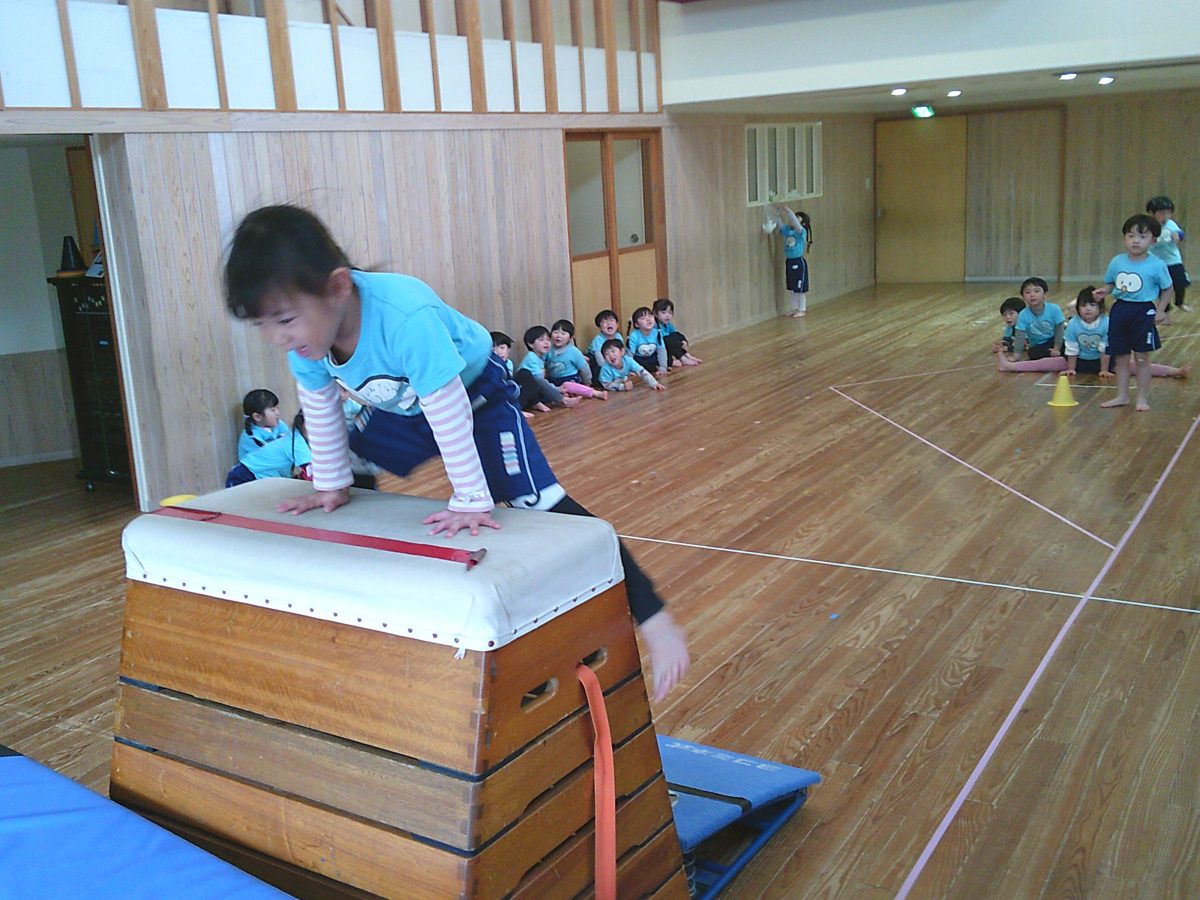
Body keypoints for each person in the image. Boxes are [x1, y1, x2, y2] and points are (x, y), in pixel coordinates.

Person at [224, 205, 687, 700]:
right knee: (349, 470)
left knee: (543, 505)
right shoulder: (307, 343)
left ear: (337, 287)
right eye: (263, 326)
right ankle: (359, 608)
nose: (277, 338)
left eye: (285, 320)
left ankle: (653, 617)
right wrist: (331, 483)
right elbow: (319, 404)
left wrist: (470, 497)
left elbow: (447, 408)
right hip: (410, 410)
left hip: (478, 397)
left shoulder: (404, 316)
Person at [1094, 214, 1175, 410]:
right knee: (1120, 357)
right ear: (1125, 239)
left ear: (1153, 240)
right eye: (1131, 236)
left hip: (1143, 311)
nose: (1136, 241)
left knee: (1141, 357)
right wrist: (1104, 291)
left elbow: (1168, 288)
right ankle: (1122, 396)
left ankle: (1142, 398)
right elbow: (1112, 283)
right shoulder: (1117, 262)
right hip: (1120, 310)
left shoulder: (1157, 264)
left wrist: (1160, 310)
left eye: (1142, 236)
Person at [225, 388, 312, 487]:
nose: (278, 412)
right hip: (247, 476)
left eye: (277, 408)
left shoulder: (284, 429)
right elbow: (311, 473)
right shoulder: (251, 436)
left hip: (266, 476)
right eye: (272, 410)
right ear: (257, 417)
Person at [517, 326, 587, 408]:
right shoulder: (531, 358)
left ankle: (591, 392)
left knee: (566, 385)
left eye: (548, 339)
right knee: (541, 382)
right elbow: (540, 381)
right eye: (541, 340)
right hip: (524, 392)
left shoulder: (540, 357)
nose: (546, 343)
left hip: (535, 391)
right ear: (530, 344)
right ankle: (563, 401)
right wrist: (557, 389)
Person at [1146, 195, 1189, 323]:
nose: (1165, 216)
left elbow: (1180, 233)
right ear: (1152, 213)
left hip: (1173, 260)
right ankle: (1165, 312)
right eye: (1161, 213)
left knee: (1180, 283)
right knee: (1162, 288)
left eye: (1168, 213)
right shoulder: (1148, 226)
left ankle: (1180, 302)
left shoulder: (1171, 224)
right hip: (1157, 262)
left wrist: (1178, 235)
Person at [764, 205, 811, 317]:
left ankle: (802, 309)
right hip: (789, 261)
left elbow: (796, 223)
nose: (793, 220)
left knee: (800, 288)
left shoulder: (801, 232)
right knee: (792, 288)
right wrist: (776, 212)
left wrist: (789, 211)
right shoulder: (788, 231)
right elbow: (779, 223)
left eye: (797, 218)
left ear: (803, 223)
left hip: (798, 262)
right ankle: (794, 309)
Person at [547, 319, 607, 400]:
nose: (558, 336)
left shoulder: (573, 351)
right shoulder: (548, 350)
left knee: (568, 385)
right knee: (548, 387)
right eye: (555, 332)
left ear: (570, 338)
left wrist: (587, 382)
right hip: (553, 380)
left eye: (563, 333)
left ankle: (595, 393)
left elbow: (584, 368)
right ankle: (566, 397)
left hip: (570, 379)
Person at [1012, 277, 1064, 360]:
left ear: (1045, 294)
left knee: (1067, 346)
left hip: (1054, 340)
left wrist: (1056, 348)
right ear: (1023, 296)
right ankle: (1051, 354)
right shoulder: (1023, 315)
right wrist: (1016, 355)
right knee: (1032, 352)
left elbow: (1059, 330)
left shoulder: (1054, 309)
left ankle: (1054, 355)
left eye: (1036, 291)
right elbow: (1020, 336)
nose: (1032, 295)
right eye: (1028, 292)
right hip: (1038, 346)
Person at [491, 331, 540, 418]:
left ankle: (535, 402)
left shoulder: (509, 363)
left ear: (509, 349)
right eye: (493, 350)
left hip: (510, 392)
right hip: (499, 396)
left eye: (502, 348)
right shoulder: (491, 366)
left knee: (525, 373)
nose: (498, 352)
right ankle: (514, 410)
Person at [599, 339, 665, 392]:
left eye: (613, 351)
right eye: (606, 354)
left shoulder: (628, 360)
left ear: (622, 351)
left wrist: (654, 384)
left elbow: (642, 372)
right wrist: (622, 387)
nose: (611, 355)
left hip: (620, 380)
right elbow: (606, 385)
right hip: (603, 382)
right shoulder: (605, 368)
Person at [653, 298, 702, 367]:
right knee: (667, 340)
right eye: (663, 313)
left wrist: (683, 340)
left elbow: (676, 334)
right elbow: (661, 341)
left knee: (676, 336)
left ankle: (687, 355)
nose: (667, 315)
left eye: (670, 313)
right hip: (658, 350)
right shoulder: (654, 325)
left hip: (667, 348)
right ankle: (682, 358)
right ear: (655, 314)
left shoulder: (668, 324)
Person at [626, 306, 668, 376]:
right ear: (636, 324)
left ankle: (658, 367)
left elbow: (661, 351)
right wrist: (628, 370)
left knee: (665, 356)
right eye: (643, 318)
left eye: (650, 316)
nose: (648, 319)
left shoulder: (657, 332)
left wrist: (663, 367)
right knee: (637, 362)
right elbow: (629, 355)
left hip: (652, 357)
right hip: (640, 359)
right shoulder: (634, 336)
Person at [588, 309, 623, 383]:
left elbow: (622, 353)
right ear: (599, 327)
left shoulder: (618, 336)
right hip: (598, 363)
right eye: (605, 321)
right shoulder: (598, 340)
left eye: (611, 320)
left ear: (617, 325)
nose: (609, 323)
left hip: (612, 361)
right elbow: (600, 361)